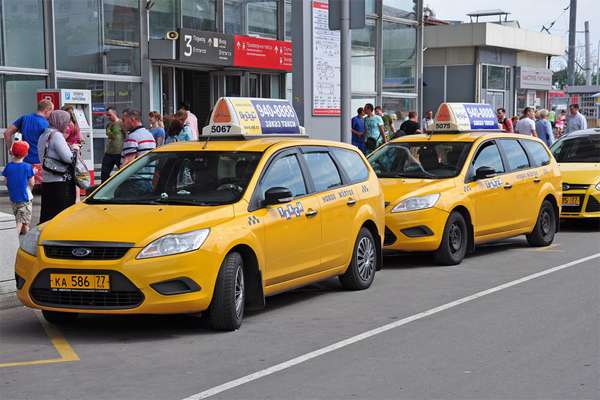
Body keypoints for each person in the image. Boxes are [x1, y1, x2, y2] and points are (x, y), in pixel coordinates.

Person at [37, 110, 78, 224]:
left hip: (47, 181)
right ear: (60, 121)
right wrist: (74, 149)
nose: (67, 124)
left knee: (48, 215)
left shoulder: (43, 135)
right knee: (62, 217)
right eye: (66, 121)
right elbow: (68, 158)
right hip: (60, 182)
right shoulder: (57, 135)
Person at [3, 100, 54, 185]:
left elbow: (7, 133)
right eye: (51, 112)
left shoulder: (24, 118)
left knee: (23, 189)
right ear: (47, 110)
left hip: (22, 161)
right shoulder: (46, 124)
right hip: (39, 164)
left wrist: (11, 149)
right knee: (40, 193)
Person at [2, 141, 34, 235]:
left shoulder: (8, 166)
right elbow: (32, 182)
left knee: (21, 219)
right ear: (26, 154)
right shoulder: (27, 167)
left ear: (12, 152)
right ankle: (16, 241)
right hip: (25, 199)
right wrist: (30, 190)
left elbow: (6, 182)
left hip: (14, 198)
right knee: (21, 222)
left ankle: (23, 233)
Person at [101, 106, 125, 182]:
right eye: (107, 115)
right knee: (104, 173)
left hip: (119, 153)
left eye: (110, 115)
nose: (108, 117)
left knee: (123, 171)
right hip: (109, 152)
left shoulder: (121, 123)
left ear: (115, 113)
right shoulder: (108, 125)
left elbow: (126, 135)